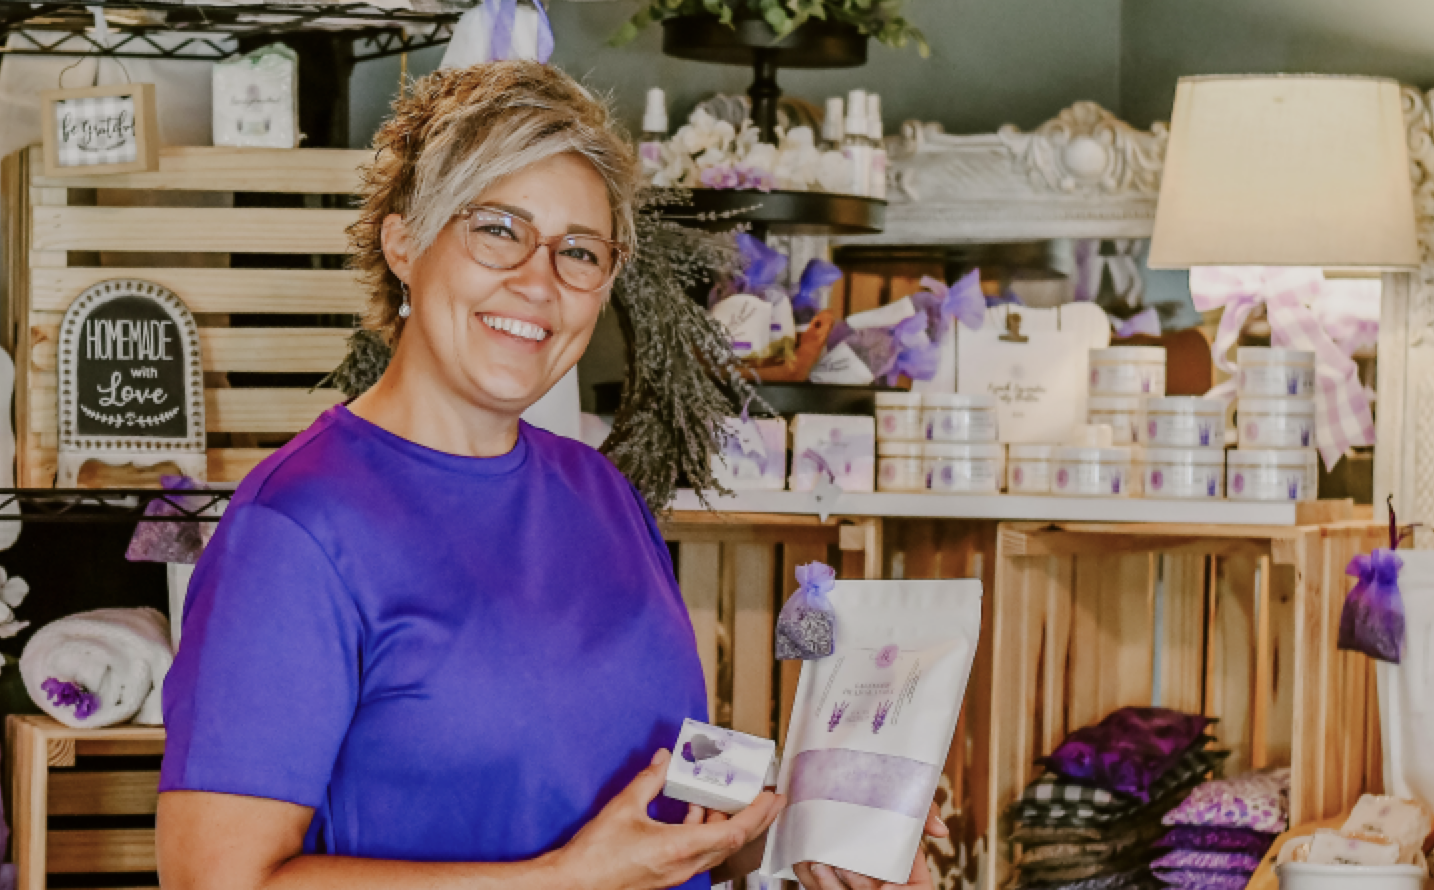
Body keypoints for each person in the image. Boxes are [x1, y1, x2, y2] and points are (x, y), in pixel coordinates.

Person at [156, 60, 946, 890]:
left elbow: (651, 811)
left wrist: (807, 829)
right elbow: (218, 881)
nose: (538, 281)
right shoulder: (296, 529)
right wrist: (564, 880)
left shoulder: (601, 494)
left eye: (579, 251)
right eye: (497, 228)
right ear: (402, 241)